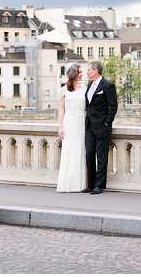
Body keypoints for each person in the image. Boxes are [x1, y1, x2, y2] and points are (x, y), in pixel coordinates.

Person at [84, 61, 117, 194]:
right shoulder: (89, 84)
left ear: (96, 70)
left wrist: (107, 123)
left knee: (101, 157)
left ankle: (99, 185)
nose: (87, 72)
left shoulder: (107, 85)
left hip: (102, 126)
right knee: (89, 154)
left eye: (89, 70)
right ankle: (90, 184)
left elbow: (113, 106)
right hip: (89, 126)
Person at [56, 63, 87, 192]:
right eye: (80, 72)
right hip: (69, 123)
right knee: (69, 151)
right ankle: (67, 183)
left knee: (80, 151)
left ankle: (80, 184)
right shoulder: (63, 90)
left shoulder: (85, 88)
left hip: (81, 122)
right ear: (74, 74)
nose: (82, 74)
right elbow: (61, 111)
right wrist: (60, 127)